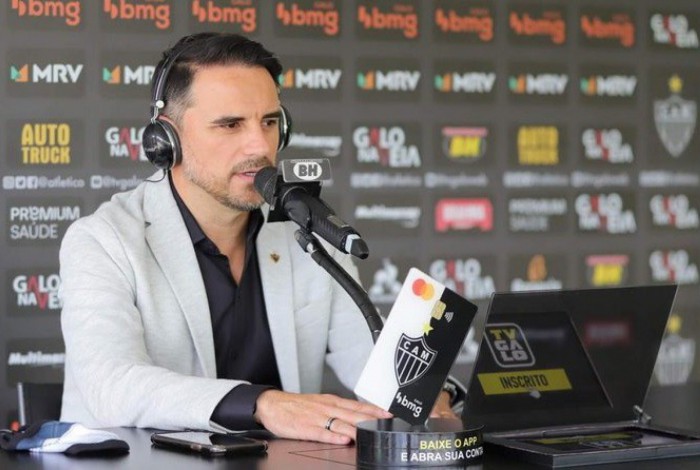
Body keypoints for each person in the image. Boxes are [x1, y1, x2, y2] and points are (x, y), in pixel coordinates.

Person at [59, 32, 454, 445]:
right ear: (166, 141)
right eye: (230, 125)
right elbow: (113, 386)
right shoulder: (101, 241)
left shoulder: (305, 229)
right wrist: (262, 404)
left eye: (269, 122)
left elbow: (373, 366)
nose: (260, 145)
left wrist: (428, 398)